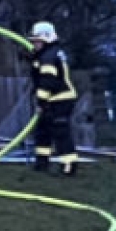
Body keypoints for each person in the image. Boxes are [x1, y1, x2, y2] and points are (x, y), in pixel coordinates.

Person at [28, 21, 79, 176]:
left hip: (60, 99)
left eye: (37, 41)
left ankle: (69, 165)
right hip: (53, 99)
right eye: (33, 41)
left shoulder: (49, 57)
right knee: (42, 131)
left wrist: (40, 102)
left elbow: (47, 81)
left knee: (60, 132)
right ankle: (42, 162)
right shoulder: (49, 54)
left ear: (46, 39)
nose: (35, 44)